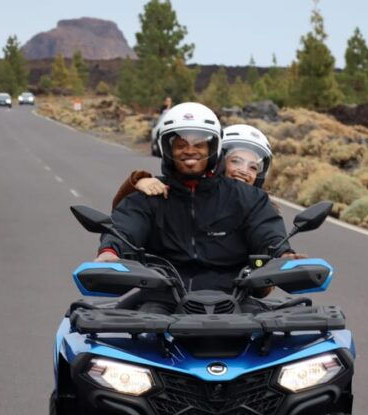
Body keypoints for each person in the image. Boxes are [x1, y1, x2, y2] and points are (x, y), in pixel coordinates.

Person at [95, 103, 296, 297]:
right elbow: (125, 226)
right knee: (87, 326)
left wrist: (284, 256)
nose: (190, 150)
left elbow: (268, 234)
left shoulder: (252, 199)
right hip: (161, 299)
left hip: (233, 299)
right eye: (181, 144)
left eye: (199, 143)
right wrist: (110, 251)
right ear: (166, 148)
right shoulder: (150, 195)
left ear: (213, 148)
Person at [110, 123, 273, 209]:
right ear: (218, 159)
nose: (244, 171)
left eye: (253, 167)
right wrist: (137, 184)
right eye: (236, 161)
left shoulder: (261, 208)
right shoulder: (188, 191)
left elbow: (273, 242)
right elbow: (125, 220)